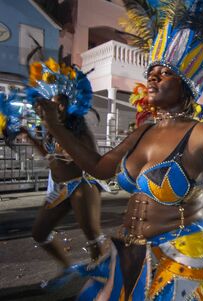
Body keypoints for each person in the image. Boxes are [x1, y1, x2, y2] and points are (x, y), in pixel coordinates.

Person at [31, 0, 203, 298]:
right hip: (132, 255)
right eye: (152, 71)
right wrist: (55, 126)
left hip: (181, 263)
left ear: (186, 85)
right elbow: (99, 167)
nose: (153, 76)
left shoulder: (201, 134)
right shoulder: (143, 132)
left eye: (165, 73)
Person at [21, 59, 110, 277]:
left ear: (69, 106)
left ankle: (106, 276)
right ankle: (66, 268)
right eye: (54, 103)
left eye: (61, 103)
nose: (57, 107)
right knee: (39, 232)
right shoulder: (51, 130)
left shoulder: (78, 130)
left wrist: (69, 148)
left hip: (82, 186)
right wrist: (31, 138)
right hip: (60, 189)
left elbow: (93, 158)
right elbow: (50, 158)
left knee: (93, 237)